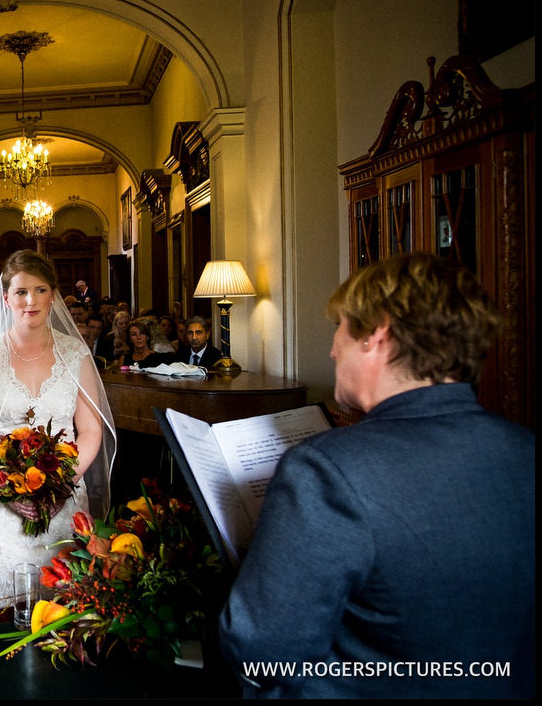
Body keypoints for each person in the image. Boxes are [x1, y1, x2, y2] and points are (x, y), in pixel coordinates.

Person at [219, 253, 535, 698]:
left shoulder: (325, 470)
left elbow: (261, 647)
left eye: (340, 328)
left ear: (377, 334)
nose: (331, 349)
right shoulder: (525, 449)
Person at [0, 250, 116, 614]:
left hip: (64, 499)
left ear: (53, 296)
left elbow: (89, 430)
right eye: (22, 292)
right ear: (6, 297)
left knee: (66, 600)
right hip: (0, 504)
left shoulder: (76, 354)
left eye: (40, 290)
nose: (31, 301)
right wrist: (7, 490)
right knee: (1, 606)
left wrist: (62, 485)